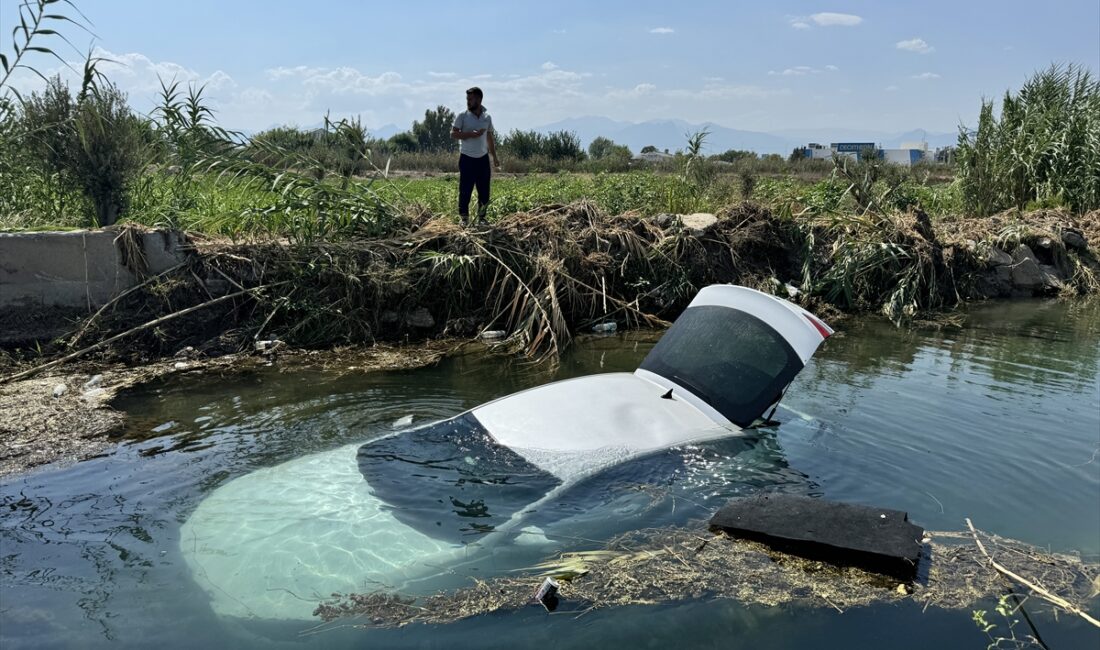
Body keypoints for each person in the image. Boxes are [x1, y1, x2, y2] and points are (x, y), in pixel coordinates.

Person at [451, 87, 500, 226]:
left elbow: (489, 137)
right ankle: (464, 219)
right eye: (467, 99)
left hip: (483, 159)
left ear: (479, 99)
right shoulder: (463, 116)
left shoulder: (487, 118)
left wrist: (494, 157)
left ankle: (482, 219)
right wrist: (469, 134)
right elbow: (453, 134)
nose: (468, 102)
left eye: (470, 99)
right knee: (465, 190)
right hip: (467, 158)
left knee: (484, 191)